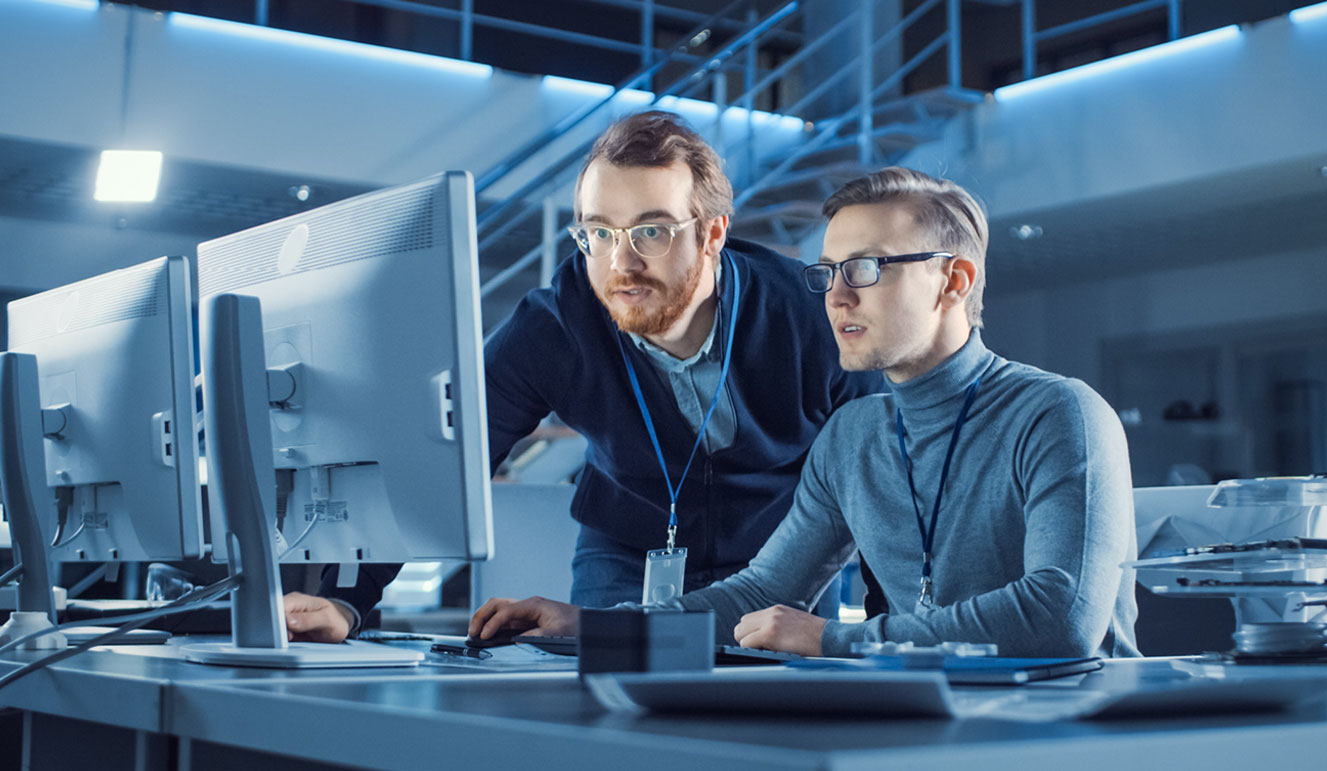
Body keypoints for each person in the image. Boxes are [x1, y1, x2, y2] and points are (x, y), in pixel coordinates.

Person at [469, 167, 1139, 659]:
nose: (837, 297)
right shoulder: (855, 435)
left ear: (954, 281)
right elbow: (760, 590)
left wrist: (836, 638)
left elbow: (1063, 614)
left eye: (867, 269)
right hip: (941, 722)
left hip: (1070, 728)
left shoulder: (1060, 413)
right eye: (827, 272)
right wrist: (590, 624)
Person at [281, 111, 884, 643]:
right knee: (610, 721)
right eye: (599, 232)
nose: (621, 262)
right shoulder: (556, 325)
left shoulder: (811, 318)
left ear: (713, 233)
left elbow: (881, 481)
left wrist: (896, 636)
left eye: (652, 230)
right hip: (625, 552)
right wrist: (346, 601)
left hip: (778, 562)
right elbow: (444, 465)